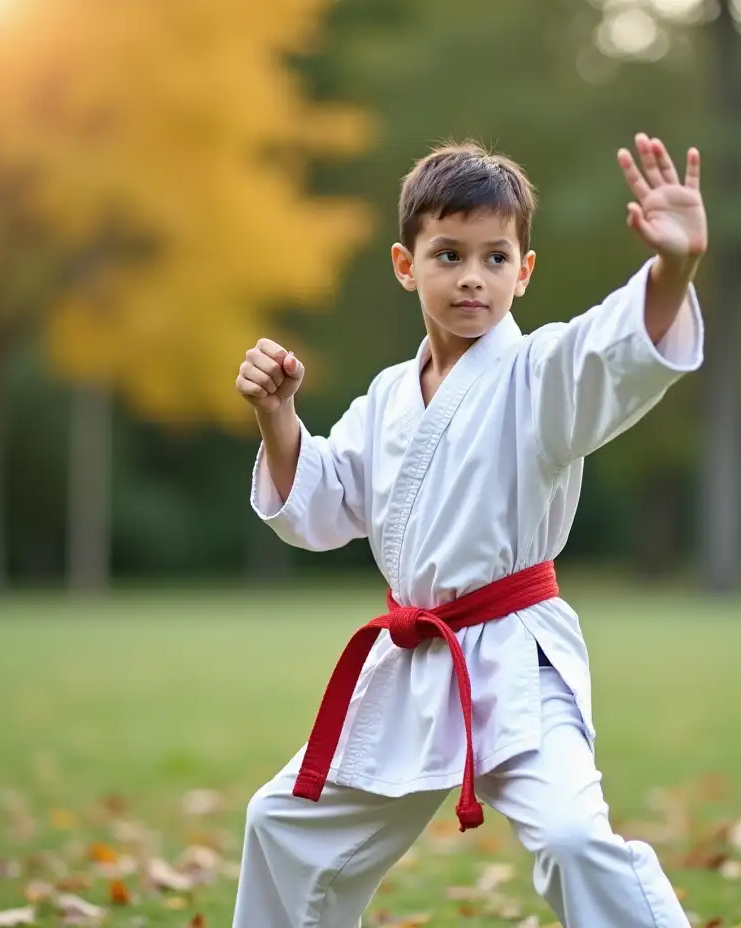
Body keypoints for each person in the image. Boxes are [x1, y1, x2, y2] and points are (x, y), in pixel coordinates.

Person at [232, 133, 707, 928]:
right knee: (282, 826)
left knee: (571, 838)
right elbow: (320, 504)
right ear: (403, 264)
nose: (471, 279)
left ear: (524, 272)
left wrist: (674, 269)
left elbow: (611, 355)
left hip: (515, 656)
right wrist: (277, 416)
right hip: (415, 661)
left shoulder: (538, 377)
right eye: (448, 254)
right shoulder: (387, 398)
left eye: (494, 258)